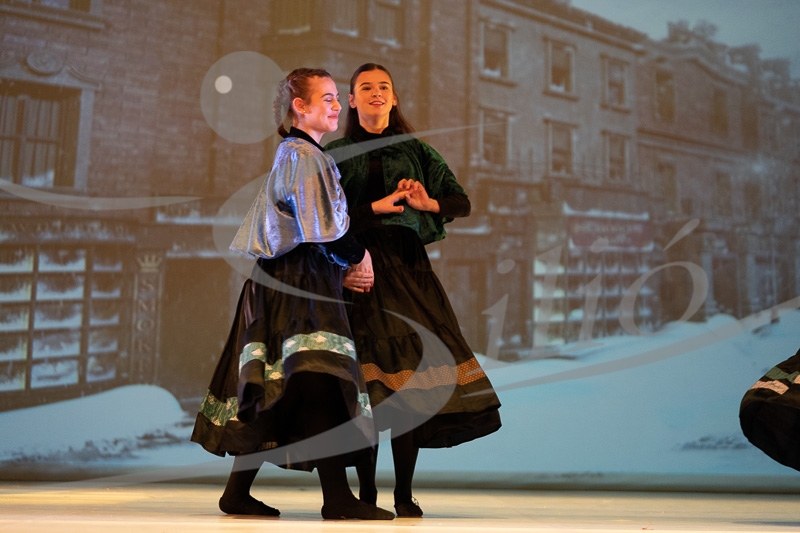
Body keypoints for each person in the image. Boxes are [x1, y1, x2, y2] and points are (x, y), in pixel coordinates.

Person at [190, 67, 394, 521]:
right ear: (300, 107)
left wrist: (336, 270)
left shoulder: (302, 155)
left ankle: (239, 493)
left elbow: (307, 231)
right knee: (320, 379)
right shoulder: (302, 156)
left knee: (296, 383)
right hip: (296, 289)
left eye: (337, 97)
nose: (337, 105)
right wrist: (359, 256)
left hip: (297, 281)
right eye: (327, 98)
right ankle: (336, 497)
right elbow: (322, 228)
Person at [325, 63, 502, 517]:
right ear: (352, 100)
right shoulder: (335, 153)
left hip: (407, 273)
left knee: (410, 387)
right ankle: (366, 495)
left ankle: (403, 495)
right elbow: (323, 219)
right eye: (366, 87)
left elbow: (461, 202)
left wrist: (429, 203)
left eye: (384, 86)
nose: (376, 92)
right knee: (364, 389)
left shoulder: (417, 150)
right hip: (357, 270)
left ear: (394, 97)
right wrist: (369, 213)